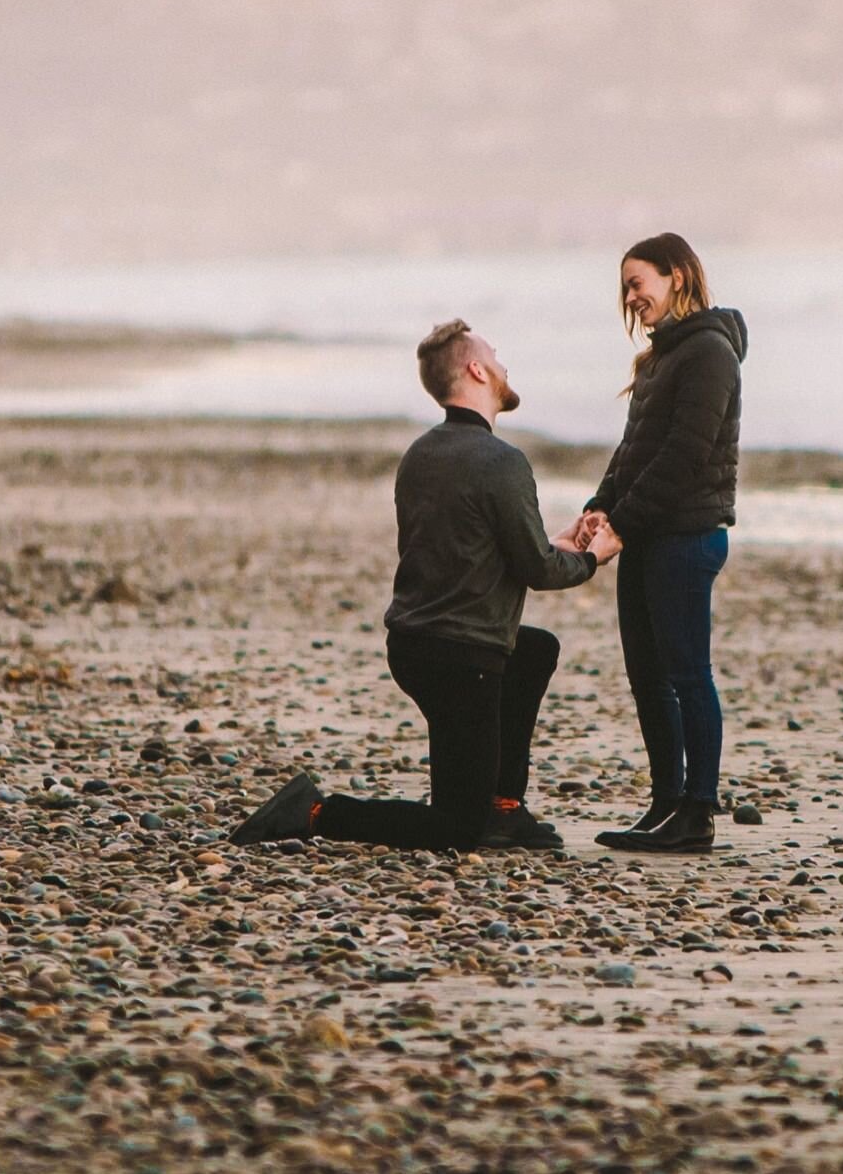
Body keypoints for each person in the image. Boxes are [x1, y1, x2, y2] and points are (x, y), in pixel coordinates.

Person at [232, 319, 622, 852]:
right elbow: (535, 571)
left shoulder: (421, 454)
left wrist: (562, 542)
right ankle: (317, 811)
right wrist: (595, 557)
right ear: (476, 370)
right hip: (464, 662)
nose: (504, 364)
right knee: (455, 829)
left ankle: (503, 808)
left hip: (417, 649)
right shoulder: (501, 462)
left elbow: (474, 553)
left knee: (534, 649)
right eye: (495, 355)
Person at [573, 232, 747, 855]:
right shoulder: (661, 356)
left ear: (677, 275)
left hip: (686, 537)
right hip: (647, 536)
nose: (631, 296)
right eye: (625, 286)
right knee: (649, 677)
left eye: (637, 281)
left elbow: (682, 457)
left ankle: (698, 812)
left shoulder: (708, 354)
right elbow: (634, 449)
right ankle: (666, 802)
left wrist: (624, 525)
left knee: (687, 675)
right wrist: (599, 507)